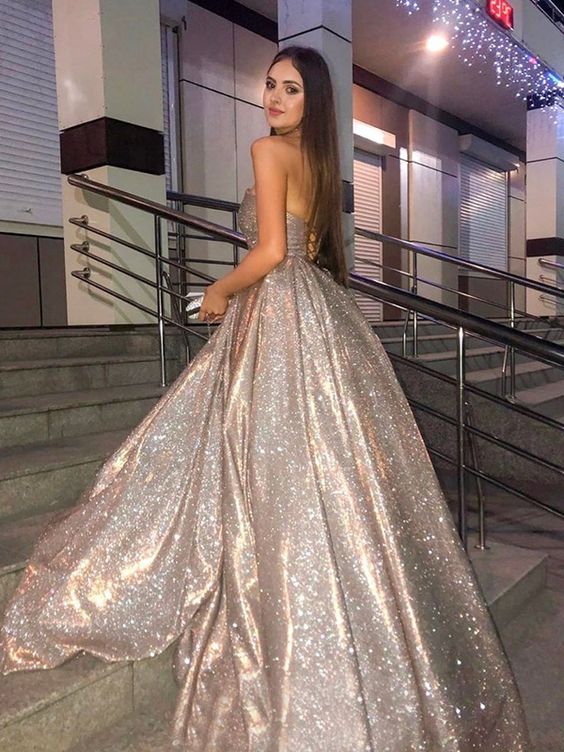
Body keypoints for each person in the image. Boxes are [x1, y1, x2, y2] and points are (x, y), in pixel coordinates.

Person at [0, 46, 531, 751]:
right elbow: (313, 250)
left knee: (268, 446)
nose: (274, 98)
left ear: (313, 100)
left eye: (291, 89)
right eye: (271, 85)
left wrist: (219, 290)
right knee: (320, 460)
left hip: (278, 310)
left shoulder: (268, 151)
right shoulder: (320, 161)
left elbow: (273, 250)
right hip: (320, 313)